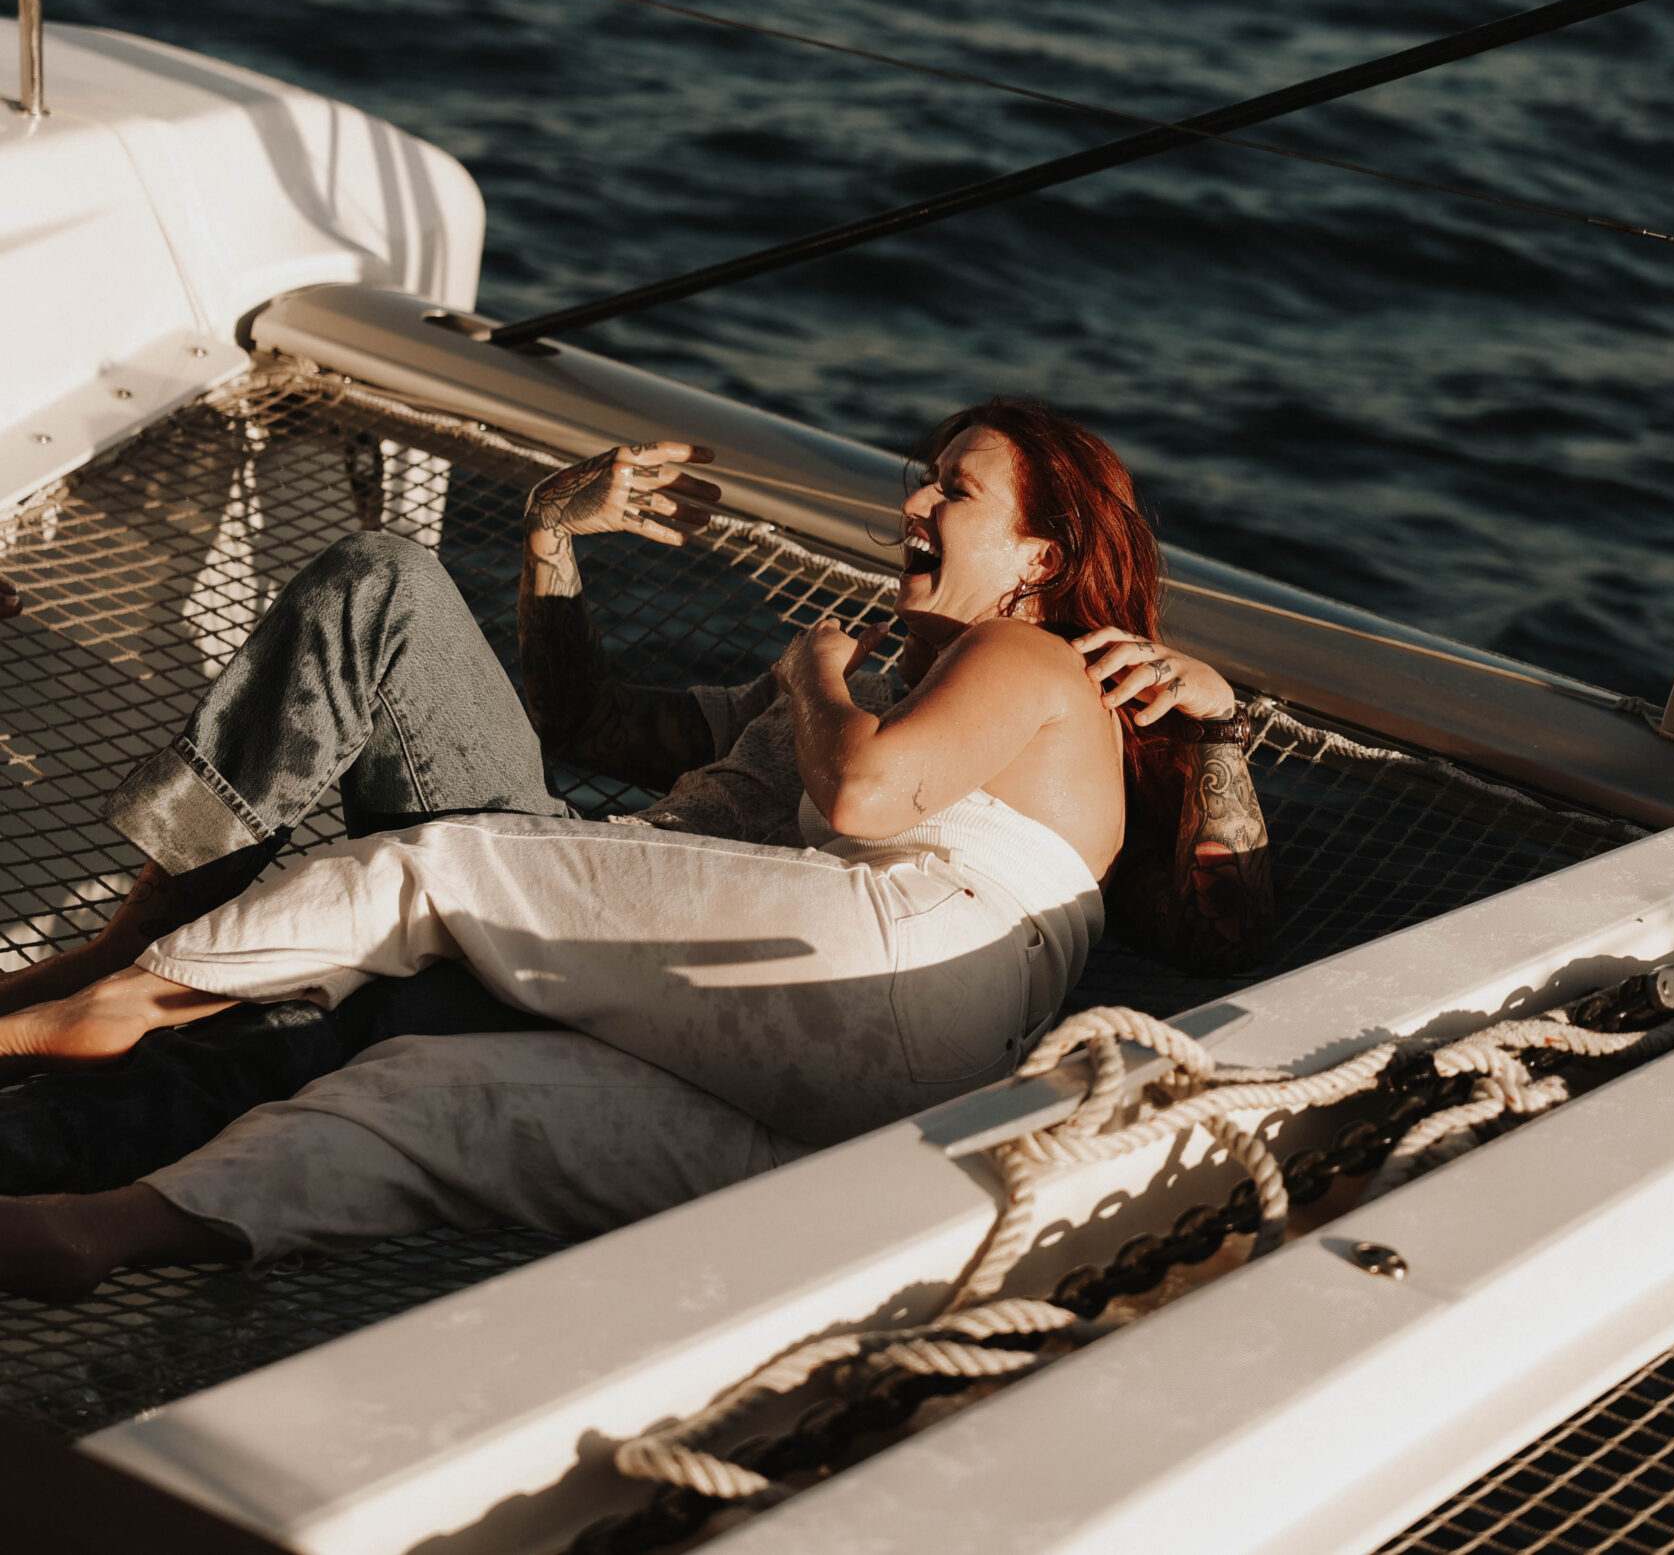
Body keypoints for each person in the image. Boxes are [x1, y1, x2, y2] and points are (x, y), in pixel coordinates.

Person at [0, 398, 1271, 1299]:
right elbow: (586, 721)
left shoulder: (1019, 661)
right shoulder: (904, 686)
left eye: (954, 487)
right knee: (435, 1106)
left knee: (432, 876)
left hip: (834, 966)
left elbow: (1192, 917)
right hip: (824, 1081)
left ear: (1038, 556)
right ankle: (99, 1230)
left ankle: (115, 997)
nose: (913, 498)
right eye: (921, 473)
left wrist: (1216, 730)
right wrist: (553, 531)